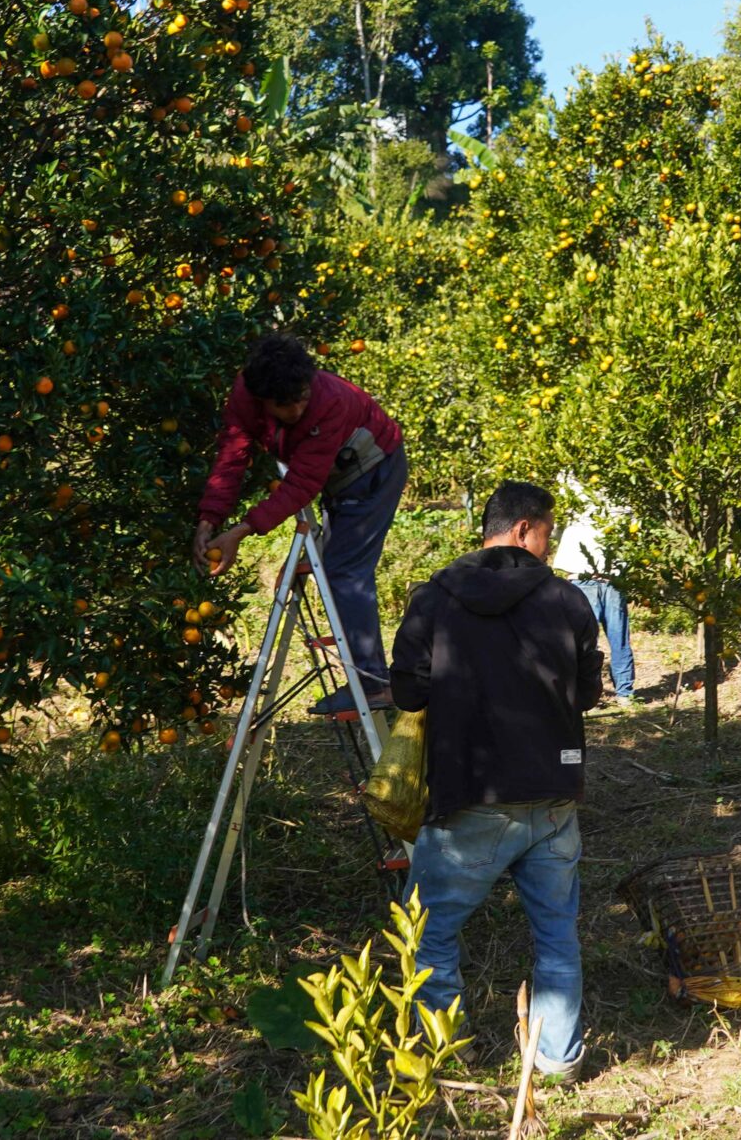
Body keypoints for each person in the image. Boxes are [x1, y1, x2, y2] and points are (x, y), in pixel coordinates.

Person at [390, 480, 603, 1082]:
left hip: (472, 794)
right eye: (548, 533)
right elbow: (588, 692)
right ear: (523, 529)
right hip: (554, 792)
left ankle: (442, 1050)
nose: (550, 547)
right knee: (556, 934)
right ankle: (558, 1057)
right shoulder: (567, 599)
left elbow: (407, 691)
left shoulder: (434, 597)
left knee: (429, 934)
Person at [195, 333, 408, 713]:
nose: (295, 411)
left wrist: (241, 531)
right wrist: (209, 519)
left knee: (344, 572)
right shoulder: (246, 395)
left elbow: (302, 484)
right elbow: (232, 456)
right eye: (284, 405)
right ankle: (370, 678)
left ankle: (373, 684)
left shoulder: (330, 402)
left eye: (301, 399)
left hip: (375, 469)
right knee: (337, 568)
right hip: (339, 477)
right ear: (261, 398)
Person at [550, 477, 633, 703]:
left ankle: (586, 692)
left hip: (584, 575)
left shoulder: (569, 482)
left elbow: (555, 526)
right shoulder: (621, 486)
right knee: (617, 637)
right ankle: (624, 693)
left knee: (584, 641)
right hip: (610, 576)